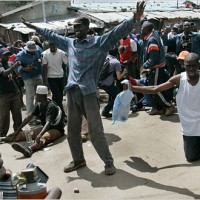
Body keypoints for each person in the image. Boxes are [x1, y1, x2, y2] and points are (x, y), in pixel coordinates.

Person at [20, 1, 146, 175]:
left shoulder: (99, 43)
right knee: (72, 131)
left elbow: (117, 33)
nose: (75, 29)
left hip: (88, 92)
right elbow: (50, 34)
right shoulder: (70, 43)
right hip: (72, 92)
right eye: (74, 27)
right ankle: (78, 160)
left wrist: (134, 18)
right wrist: (32, 26)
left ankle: (108, 162)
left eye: (78, 26)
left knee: (95, 130)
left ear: (87, 27)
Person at [129, 53, 200, 162]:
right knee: (190, 157)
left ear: (198, 65)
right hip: (189, 127)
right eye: (188, 65)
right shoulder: (179, 79)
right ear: (183, 65)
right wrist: (133, 88)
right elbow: (155, 88)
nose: (191, 68)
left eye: (194, 65)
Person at [1, 85, 65, 158]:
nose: (35, 96)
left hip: (57, 129)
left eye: (37, 94)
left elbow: (48, 123)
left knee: (43, 137)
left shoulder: (51, 106)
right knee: (27, 134)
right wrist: (17, 130)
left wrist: (39, 135)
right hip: (46, 127)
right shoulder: (39, 104)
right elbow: (28, 117)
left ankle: (30, 149)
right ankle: (5, 139)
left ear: (41, 95)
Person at [140, 21, 175, 116]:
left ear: (147, 29)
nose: (141, 29)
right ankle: (159, 108)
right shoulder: (151, 37)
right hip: (156, 68)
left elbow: (153, 59)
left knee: (155, 89)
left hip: (156, 69)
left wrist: (145, 66)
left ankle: (168, 106)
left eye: (142, 27)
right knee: (155, 89)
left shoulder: (151, 40)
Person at [15, 40, 43, 125]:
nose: (32, 53)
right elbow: (16, 66)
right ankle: (30, 118)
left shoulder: (38, 51)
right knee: (30, 96)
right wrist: (25, 69)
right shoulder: (20, 55)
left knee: (41, 95)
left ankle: (39, 114)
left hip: (37, 74)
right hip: (27, 77)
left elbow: (41, 58)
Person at [42, 41, 68, 121]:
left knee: (59, 96)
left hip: (61, 77)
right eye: (50, 46)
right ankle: (63, 115)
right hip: (51, 78)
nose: (52, 47)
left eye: (53, 45)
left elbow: (67, 64)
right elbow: (45, 67)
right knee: (57, 96)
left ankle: (55, 111)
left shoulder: (61, 53)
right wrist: (45, 81)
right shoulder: (45, 54)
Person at [99, 46, 127, 118]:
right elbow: (119, 77)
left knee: (112, 93)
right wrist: (124, 72)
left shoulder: (104, 58)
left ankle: (110, 109)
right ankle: (105, 111)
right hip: (107, 83)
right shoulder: (116, 62)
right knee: (117, 96)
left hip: (99, 82)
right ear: (117, 53)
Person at [0, 48, 22, 137]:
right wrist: (14, 66)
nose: (7, 57)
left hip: (14, 92)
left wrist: (18, 89)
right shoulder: (0, 64)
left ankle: (18, 130)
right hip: (3, 94)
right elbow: (4, 74)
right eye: (5, 55)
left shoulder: (9, 63)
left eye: (8, 55)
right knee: (4, 116)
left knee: (17, 114)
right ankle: (2, 134)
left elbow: (14, 78)